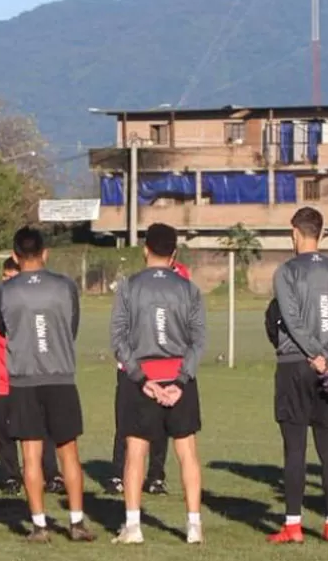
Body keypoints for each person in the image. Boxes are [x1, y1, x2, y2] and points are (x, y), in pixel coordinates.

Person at [0, 226, 95, 543]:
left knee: (31, 455)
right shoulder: (65, 286)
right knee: (69, 453)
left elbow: (2, 326)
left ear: (14, 256)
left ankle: (39, 526)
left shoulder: (3, 291)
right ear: (45, 253)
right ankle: (77, 523)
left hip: (24, 381)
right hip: (61, 378)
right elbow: (71, 326)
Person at [265, 207, 328, 545]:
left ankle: (293, 525)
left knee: (294, 449)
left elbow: (290, 319)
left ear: (295, 232)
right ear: (322, 233)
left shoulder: (286, 271)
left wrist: (316, 356)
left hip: (296, 365)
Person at [109, 223, 208, 545]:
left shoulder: (128, 286)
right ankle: (194, 526)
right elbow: (198, 341)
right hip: (179, 378)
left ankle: (133, 527)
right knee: (187, 452)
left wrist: (142, 379)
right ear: (174, 253)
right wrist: (180, 381)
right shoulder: (189, 289)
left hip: (142, 381)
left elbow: (118, 339)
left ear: (145, 249)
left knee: (135, 453)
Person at [0, 256, 60, 495]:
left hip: (32, 378)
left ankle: (51, 474)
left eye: (13, 277)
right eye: (5, 277)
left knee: (41, 429)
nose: (8, 282)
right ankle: (10, 476)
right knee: (5, 433)